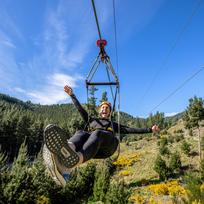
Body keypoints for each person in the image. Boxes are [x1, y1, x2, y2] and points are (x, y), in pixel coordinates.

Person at [43, 85, 159, 186]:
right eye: (103, 108)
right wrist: (72, 95)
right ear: (99, 110)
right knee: (81, 132)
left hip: (108, 147)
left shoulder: (112, 124)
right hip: (94, 149)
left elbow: (131, 129)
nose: (104, 109)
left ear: (109, 112)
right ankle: (66, 157)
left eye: (107, 108)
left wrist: (150, 129)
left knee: (97, 133)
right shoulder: (92, 121)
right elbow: (80, 110)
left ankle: (77, 159)